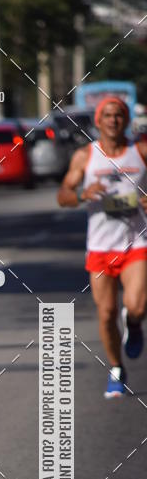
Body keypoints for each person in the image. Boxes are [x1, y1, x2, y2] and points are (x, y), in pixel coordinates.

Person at [58, 96, 147, 397]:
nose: (113, 120)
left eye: (118, 115)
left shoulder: (141, 152)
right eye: (107, 115)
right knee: (107, 313)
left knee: (136, 305)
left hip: (136, 243)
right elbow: (63, 196)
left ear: (126, 119)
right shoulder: (85, 157)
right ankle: (116, 368)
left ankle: (134, 324)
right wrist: (84, 194)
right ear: (98, 121)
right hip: (99, 248)